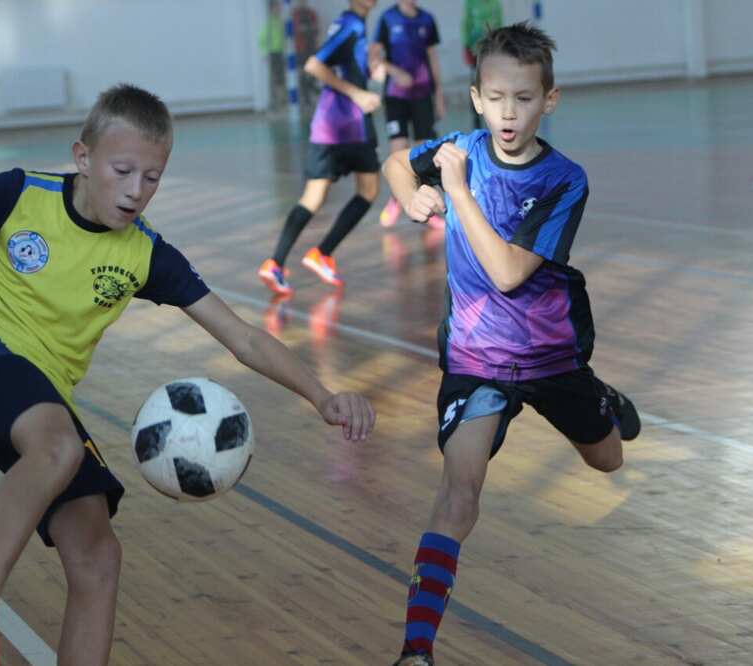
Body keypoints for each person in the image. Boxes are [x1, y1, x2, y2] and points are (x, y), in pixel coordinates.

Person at [0, 83, 376, 666]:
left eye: (152, 177)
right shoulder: (17, 194)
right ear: (84, 158)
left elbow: (242, 337)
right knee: (57, 447)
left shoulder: (145, 255)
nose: (136, 190)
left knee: (97, 554)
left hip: (40, 391)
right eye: (122, 170)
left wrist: (321, 395)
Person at [381, 24, 640, 666]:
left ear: (548, 101)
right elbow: (394, 160)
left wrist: (456, 192)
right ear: (475, 97)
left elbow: (505, 272)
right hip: (477, 360)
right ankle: (417, 650)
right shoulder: (459, 146)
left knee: (607, 462)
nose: (508, 112)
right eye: (496, 97)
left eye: (523, 99)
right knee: (458, 493)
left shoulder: (562, 180)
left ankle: (600, 396)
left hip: (551, 357)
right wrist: (410, 193)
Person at [257, 0, 381, 296]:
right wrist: (359, 94)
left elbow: (343, 66)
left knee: (314, 197)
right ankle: (321, 253)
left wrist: (371, 68)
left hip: (328, 126)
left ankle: (276, 263)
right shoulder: (351, 23)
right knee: (368, 191)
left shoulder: (351, 24)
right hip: (349, 125)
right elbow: (314, 64)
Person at [371, 0, 445, 228]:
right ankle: (396, 199)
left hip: (422, 95)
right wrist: (395, 72)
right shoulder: (387, 18)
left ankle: (428, 211)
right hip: (396, 96)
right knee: (399, 152)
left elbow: (432, 58)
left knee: (423, 155)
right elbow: (374, 56)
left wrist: (438, 94)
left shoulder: (427, 19)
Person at [461, 0, 503, 130]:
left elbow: (500, 26)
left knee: (492, 84)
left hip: (492, 51)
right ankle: (476, 120)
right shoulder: (471, 3)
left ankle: (493, 117)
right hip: (475, 51)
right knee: (476, 83)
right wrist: (466, 46)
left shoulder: (496, 4)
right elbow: (466, 25)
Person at [259, 0, 287, 110]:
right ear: (271, 9)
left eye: (278, 7)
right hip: (273, 53)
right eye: (276, 7)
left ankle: (281, 99)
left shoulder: (280, 21)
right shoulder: (269, 22)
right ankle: (275, 101)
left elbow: (283, 37)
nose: (278, 9)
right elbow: (262, 39)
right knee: (275, 77)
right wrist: (265, 52)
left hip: (280, 52)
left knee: (281, 76)